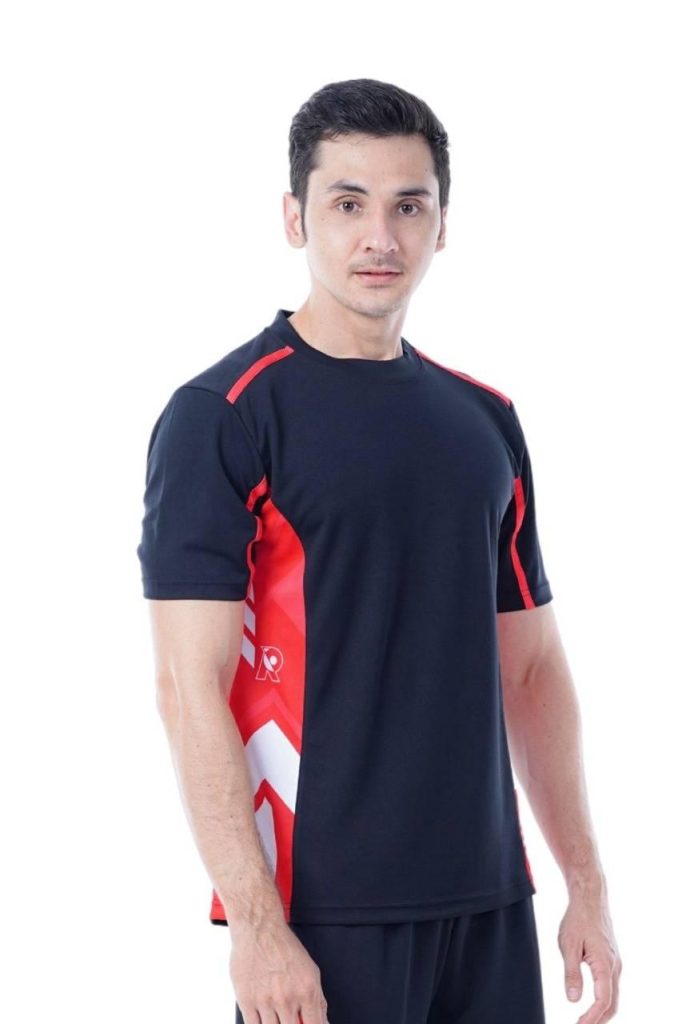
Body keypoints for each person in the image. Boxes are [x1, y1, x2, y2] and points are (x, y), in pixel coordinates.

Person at [136, 78, 622, 1024]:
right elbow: (187, 688)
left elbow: (531, 671)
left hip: (488, 898)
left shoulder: (485, 421)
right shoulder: (225, 415)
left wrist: (587, 885)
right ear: (295, 217)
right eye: (348, 203)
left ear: (442, 226)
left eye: (409, 206)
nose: (381, 238)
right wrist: (257, 928)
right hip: (324, 912)